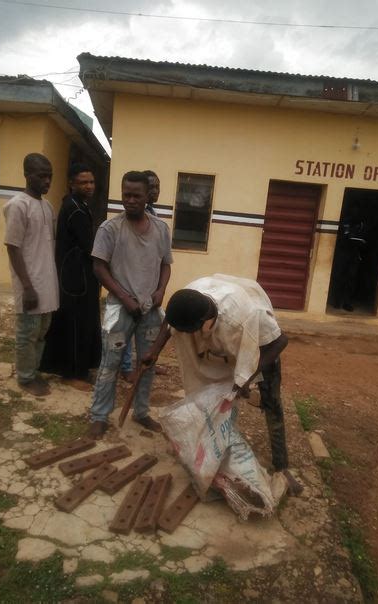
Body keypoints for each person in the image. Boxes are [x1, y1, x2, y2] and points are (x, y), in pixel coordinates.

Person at [142, 273, 302, 495]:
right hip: (223, 345)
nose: (184, 335)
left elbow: (280, 341)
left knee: (272, 403)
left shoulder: (248, 317)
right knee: (211, 400)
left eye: (188, 331)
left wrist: (248, 377)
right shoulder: (188, 299)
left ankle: (282, 467)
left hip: (262, 346)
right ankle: (214, 453)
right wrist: (155, 349)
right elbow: (170, 320)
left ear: (201, 323)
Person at [88, 170, 173, 439]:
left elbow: (165, 265)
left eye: (137, 195)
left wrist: (161, 290)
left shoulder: (161, 229)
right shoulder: (109, 228)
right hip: (119, 309)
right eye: (126, 195)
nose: (131, 200)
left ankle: (141, 412)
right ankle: (100, 416)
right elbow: (99, 267)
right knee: (110, 364)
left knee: (147, 363)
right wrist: (125, 297)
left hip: (150, 311)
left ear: (148, 196)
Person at [40, 164, 101, 390]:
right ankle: (71, 373)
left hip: (79, 274)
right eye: (83, 182)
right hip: (75, 278)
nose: (89, 186)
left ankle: (80, 369)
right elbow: (89, 246)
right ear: (72, 184)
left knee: (82, 322)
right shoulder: (74, 208)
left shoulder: (78, 205)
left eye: (92, 182)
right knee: (75, 325)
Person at [4, 153, 59, 397]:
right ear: (27, 175)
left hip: (47, 282)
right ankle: (25, 378)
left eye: (50, 176)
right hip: (30, 284)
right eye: (41, 176)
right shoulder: (18, 205)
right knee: (27, 333)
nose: (47, 181)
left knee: (42, 332)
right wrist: (27, 287)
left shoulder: (47, 207)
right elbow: (13, 248)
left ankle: (33, 371)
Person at [120, 169, 165, 382]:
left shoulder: (154, 217)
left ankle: (145, 364)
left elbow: (161, 259)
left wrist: (159, 288)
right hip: (131, 290)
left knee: (148, 333)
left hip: (151, 290)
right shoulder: (125, 222)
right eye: (152, 187)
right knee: (127, 331)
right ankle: (126, 367)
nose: (156, 191)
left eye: (157, 186)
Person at [333, 203, 367, 312]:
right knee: (339, 278)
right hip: (343, 254)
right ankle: (337, 301)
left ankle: (346, 302)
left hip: (355, 256)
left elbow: (364, 241)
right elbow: (345, 238)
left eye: (357, 210)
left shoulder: (361, 224)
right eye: (353, 210)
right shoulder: (346, 222)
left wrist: (356, 241)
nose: (355, 212)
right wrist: (355, 240)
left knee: (351, 280)